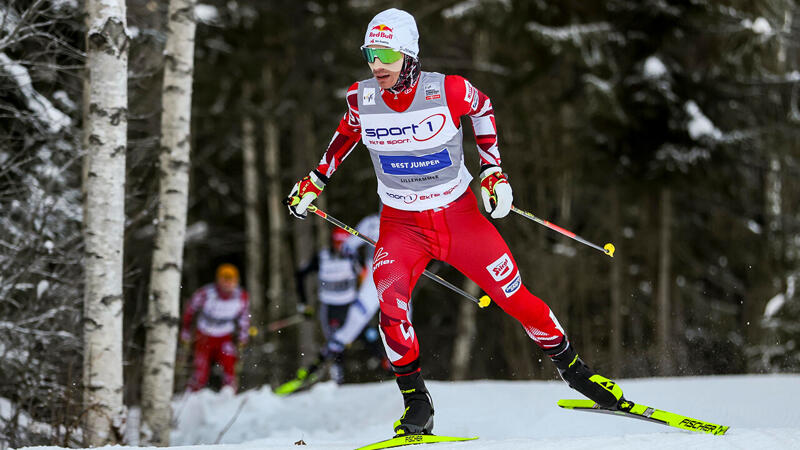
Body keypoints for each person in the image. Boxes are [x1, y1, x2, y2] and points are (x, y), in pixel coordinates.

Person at [286, 8, 624, 436]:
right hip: (401, 226)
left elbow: (484, 109)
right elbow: (346, 132)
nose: (377, 64)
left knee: (514, 297)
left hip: (458, 218)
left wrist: (493, 171)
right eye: (371, 53)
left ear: (408, 55)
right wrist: (314, 180)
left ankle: (576, 371)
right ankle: (416, 403)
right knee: (390, 303)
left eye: (387, 53)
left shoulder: (448, 90)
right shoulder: (362, 98)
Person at [180, 263, 250, 392]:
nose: (228, 284)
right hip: (204, 334)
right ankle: (192, 395)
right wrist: (186, 332)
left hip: (225, 335)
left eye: (231, 280)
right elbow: (189, 311)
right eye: (225, 280)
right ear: (218, 280)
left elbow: (244, 318)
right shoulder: (205, 293)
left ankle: (229, 394)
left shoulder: (242, 296)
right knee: (200, 369)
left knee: (230, 366)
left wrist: (243, 337)